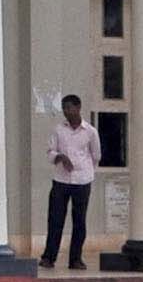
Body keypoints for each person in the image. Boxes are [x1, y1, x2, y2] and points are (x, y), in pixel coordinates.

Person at [41, 93, 100, 271]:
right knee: (55, 219)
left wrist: (86, 171)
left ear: (78, 107)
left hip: (82, 181)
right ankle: (48, 257)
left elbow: (96, 155)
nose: (67, 111)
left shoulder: (90, 131)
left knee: (79, 221)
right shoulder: (58, 130)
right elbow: (50, 151)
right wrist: (60, 156)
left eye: (69, 107)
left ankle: (75, 259)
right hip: (61, 180)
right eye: (64, 108)